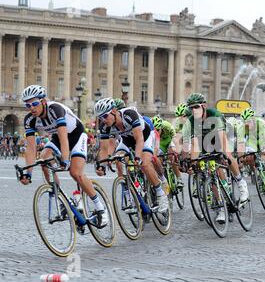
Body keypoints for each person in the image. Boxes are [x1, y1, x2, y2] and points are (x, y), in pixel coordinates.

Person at [19, 85, 109, 227]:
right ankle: (61, 197)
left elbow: (63, 138)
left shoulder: (55, 109)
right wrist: (28, 173)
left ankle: (100, 208)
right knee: (43, 159)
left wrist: (65, 160)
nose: (31, 108)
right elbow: (30, 148)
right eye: (28, 105)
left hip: (77, 135)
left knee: (75, 173)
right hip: (57, 138)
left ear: (43, 101)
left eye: (34, 103)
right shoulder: (30, 120)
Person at [94, 97, 169, 213]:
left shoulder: (129, 115)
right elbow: (105, 148)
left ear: (114, 111)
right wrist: (102, 165)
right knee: (119, 161)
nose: (103, 120)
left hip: (145, 137)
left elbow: (139, 139)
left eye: (104, 116)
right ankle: (130, 196)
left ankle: (161, 193)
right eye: (100, 118)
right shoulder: (105, 126)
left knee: (144, 164)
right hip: (127, 140)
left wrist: (138, 157)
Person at [185, 93, 249, 224]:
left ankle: (241, 182)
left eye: (196, 107)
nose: (193, 110)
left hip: (222, 135)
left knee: (226, 154)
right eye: (191, 108)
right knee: (210, 169)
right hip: (206, 141)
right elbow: (195, 145)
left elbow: (222, 140)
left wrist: (223, 154)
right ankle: (221, 207)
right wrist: (192, 162)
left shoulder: (215, 114)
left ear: (204, 106)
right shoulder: (192, 120)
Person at [236, 108, 265, 197]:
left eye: (248, 121)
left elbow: (263, 141)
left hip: (263, 139)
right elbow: (240, 145)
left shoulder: (261, 123)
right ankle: (256, 173)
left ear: (253, 119)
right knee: (248, 156)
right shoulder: (241, 127)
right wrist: (240, 159)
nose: (246, 124)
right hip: (252, 141)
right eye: (244, 122)